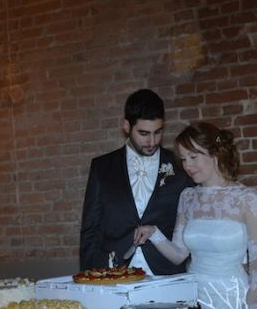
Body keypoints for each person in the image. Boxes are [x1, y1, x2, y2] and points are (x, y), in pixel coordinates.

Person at [134, 122, 257, 309]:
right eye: (183, 159)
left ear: (215, 154)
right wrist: (154, 233)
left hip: (232, 298)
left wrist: (248, 307)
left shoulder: (246, 198)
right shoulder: (187, 197)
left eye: (193, 157)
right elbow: (179, 254)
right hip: (194, 296)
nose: (187, 165)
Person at [79, 89, 192, 274]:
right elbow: (91, 228)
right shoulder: (102, 167)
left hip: (166, 271)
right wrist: (89, 276)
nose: (152, 141)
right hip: (115, 272)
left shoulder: (180, 165)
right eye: (144, 133)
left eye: (158, 132)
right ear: (126, 126)